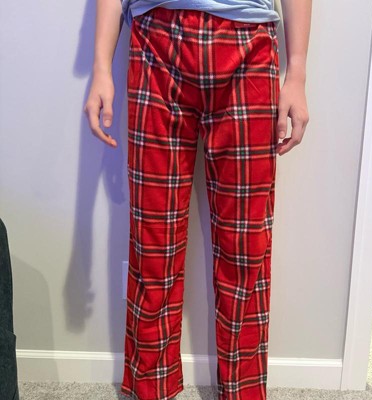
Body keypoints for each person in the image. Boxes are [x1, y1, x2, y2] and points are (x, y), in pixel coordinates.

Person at [84, 0, 311, 399]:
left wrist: (297, 73)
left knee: (245, 244)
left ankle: (243, 391)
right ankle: (151, 387)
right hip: (156, 42)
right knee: (154, 240)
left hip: (249, 44)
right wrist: (101, 67)